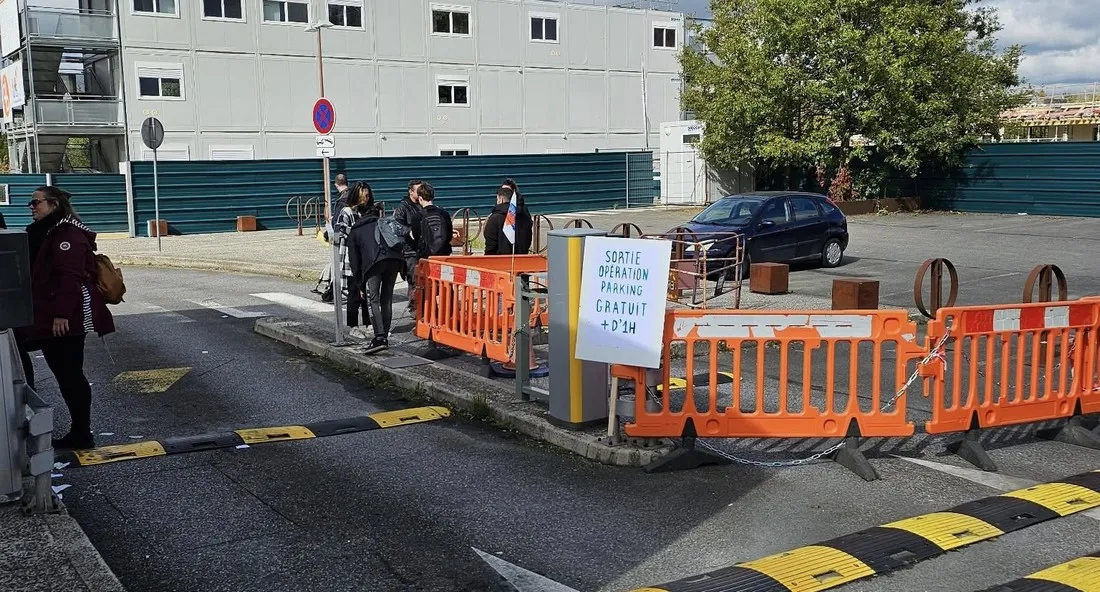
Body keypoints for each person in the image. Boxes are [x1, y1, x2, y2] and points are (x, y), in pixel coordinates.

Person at [17, 186, 115, 450]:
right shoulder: (48, 231)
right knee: (62, 373)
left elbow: (69, 277)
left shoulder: (67, 235)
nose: (32, 207)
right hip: (48, 315)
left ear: (54, 204)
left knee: (70, 375)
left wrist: (61, 315)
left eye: (36, 202)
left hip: (65, 318)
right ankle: (77, 430)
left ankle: (82, 432)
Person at [348, 192, 404, 354]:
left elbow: (354, 261)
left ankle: (379, 337)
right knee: (387, 299)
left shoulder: (356, 230)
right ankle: (384, 336)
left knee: (373, 299)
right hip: (394, 260)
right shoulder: (383, 223)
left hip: (374, 264)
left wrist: (359, 284)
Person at [336, 182, 372, 339]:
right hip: (351, 260)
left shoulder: (367, 212)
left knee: (367, 293)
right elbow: (340, 230)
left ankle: (368, 323)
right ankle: (352, 325)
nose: (366, 199)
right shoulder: (347, 212)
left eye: (368, 196)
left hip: (366, 260)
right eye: (364, 196)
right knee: (354, 293)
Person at [392, 180, 424, 312]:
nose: (421, 193)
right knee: (413, 279)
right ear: (411, 192)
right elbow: (396, 226)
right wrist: (408, 231)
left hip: (423, 248)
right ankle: (414, 307)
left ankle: (421, 305)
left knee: (422, 279)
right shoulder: (403, 207)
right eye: (418, 190)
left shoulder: (423, 204)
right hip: (410, 250)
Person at [416, 183, 453, 259]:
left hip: (426, 256)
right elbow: (449, 235)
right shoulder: (444, 213)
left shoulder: (417, 216)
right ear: (433, 197)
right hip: (443, 254)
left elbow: (416, 238)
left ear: (420, 198)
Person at [501, 178, 533, 254]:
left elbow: (527, 228)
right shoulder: (499, 209)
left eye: (507, 191)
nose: (504, 193)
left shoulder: (522, 209)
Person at [483, 186, 515, 256]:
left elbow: (491, 244)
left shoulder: (494, 218)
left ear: (501, 199)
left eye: (497, 199)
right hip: (521, 260)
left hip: (499, 260)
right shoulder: (524, 216)